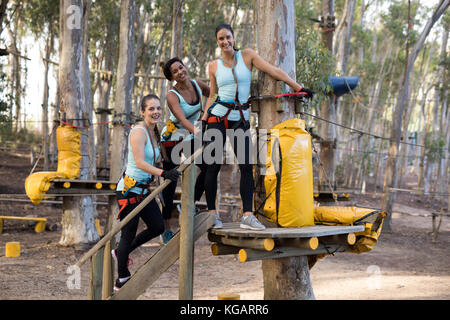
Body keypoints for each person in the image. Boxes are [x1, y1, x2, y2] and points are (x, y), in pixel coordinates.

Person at [201, 23, 314, 230]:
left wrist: (299, 88)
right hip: (216, 118)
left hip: (240, 118)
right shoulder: (213, 66)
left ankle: (247, 215)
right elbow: (212, 95)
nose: (225, 41)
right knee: (213, 166)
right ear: (217, 42)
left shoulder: (247, 56)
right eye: (221, 39)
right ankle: (212, 215)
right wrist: (203, 119)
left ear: (233, 38)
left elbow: (273, 70)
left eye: (228, 37)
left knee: (246, 167)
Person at [112, 94, 181, 291]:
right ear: (142, 112)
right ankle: (122, 279)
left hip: (143, 191)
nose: (156, 112)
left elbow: (154, 159)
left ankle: (121, 253)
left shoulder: (154, 132)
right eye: (151, 109)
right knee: (128, 233)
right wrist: (163, 173)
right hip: (129, 190)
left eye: (158, 108)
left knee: (158, 226)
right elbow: (140, 162)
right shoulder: (138, 132)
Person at [159, 57, 210, 244]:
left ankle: (188, 204)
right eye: (175, 71)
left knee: (208, 167)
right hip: (173, 137)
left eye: (181, 67)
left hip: (191, 134)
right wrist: (199, 131)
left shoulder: (197, 85)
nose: (180, 72)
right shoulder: (172, 95)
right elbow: (182, 118)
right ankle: (165, 228)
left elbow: (214, 95)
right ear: (171, 77)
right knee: (170, 180)